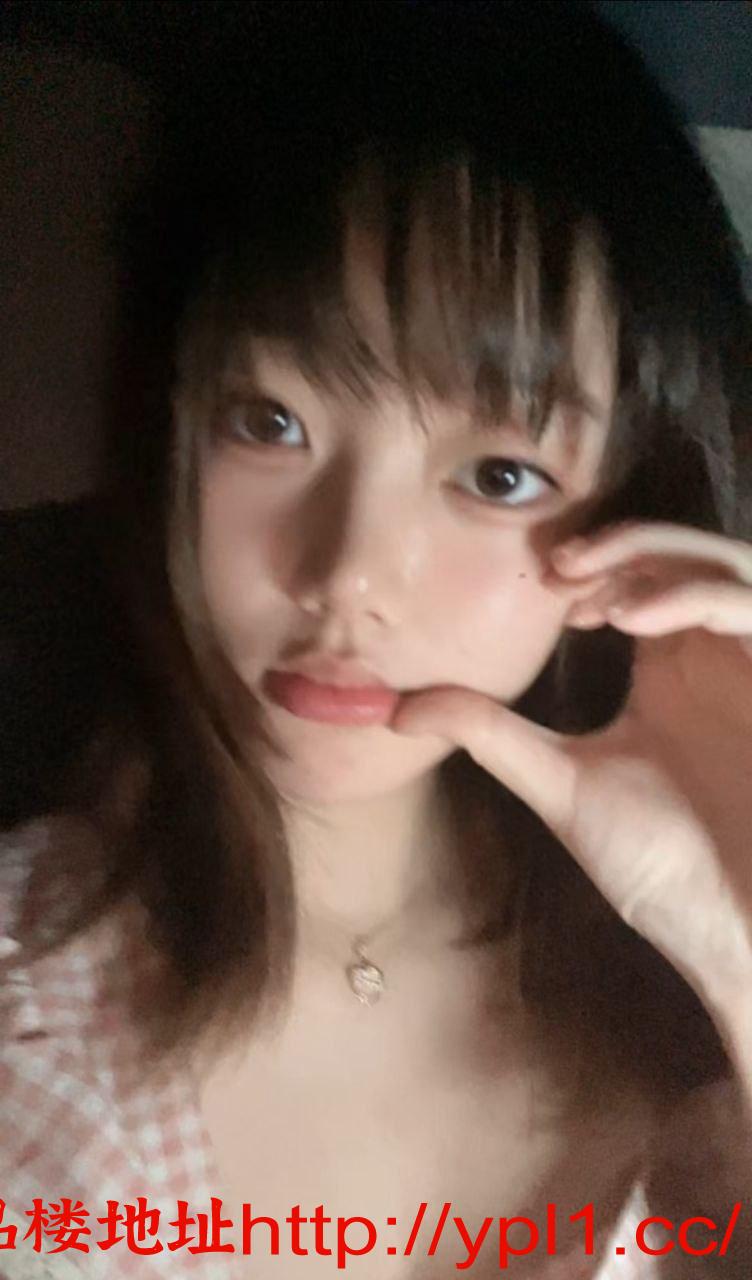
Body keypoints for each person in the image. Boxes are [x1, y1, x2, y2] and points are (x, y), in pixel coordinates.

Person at [2, 2, 751, 1276]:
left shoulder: (685, 976)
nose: (345, 575)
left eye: (497, 474)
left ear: (637, 517)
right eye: (270, 421)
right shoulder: (30, 998)